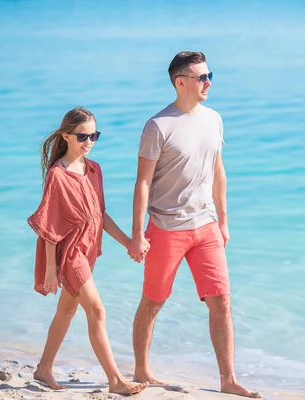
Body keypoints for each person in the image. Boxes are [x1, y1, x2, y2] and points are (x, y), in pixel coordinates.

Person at [128, 51, 260, 398]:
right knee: (154, 301)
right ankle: (142, 369)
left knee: (222, 302)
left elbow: (218, 172)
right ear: (180, 82)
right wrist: (137, 234)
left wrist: (224, 221)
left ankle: (228, 379)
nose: (208, 83)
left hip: (206, 227)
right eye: (201, 77)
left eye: (209, 75)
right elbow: (142, 182)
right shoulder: (158, 126)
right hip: (166, 227)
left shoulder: (214, 119)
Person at [27, 107, 148, 395]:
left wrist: (130, 242)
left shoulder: (94, 169)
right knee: (97, 310)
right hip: (69, 255)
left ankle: (44, 369)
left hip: (89, 251)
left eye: (94, 135)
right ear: (66, 136)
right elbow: (49, 227)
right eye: (82, 136)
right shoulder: (57, 175)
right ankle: (116, 380)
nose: (89, 141)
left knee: (67, 310)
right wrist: (51, 271)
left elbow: (101, 215)